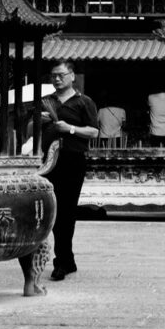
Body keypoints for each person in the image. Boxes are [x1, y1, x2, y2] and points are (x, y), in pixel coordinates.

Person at [41, 60, 99, 282]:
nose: (56, 79)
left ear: (72, 76)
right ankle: (67, 259)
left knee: (66, 210)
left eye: (61, 75)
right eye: (53, 75)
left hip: (73, 160)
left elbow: (93, 132)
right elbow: (29, 130)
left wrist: (70, 128)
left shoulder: (84, 102)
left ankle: (62, 261)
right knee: (52, 210)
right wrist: (39, 121)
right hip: (49, 162)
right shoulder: (47, 102)